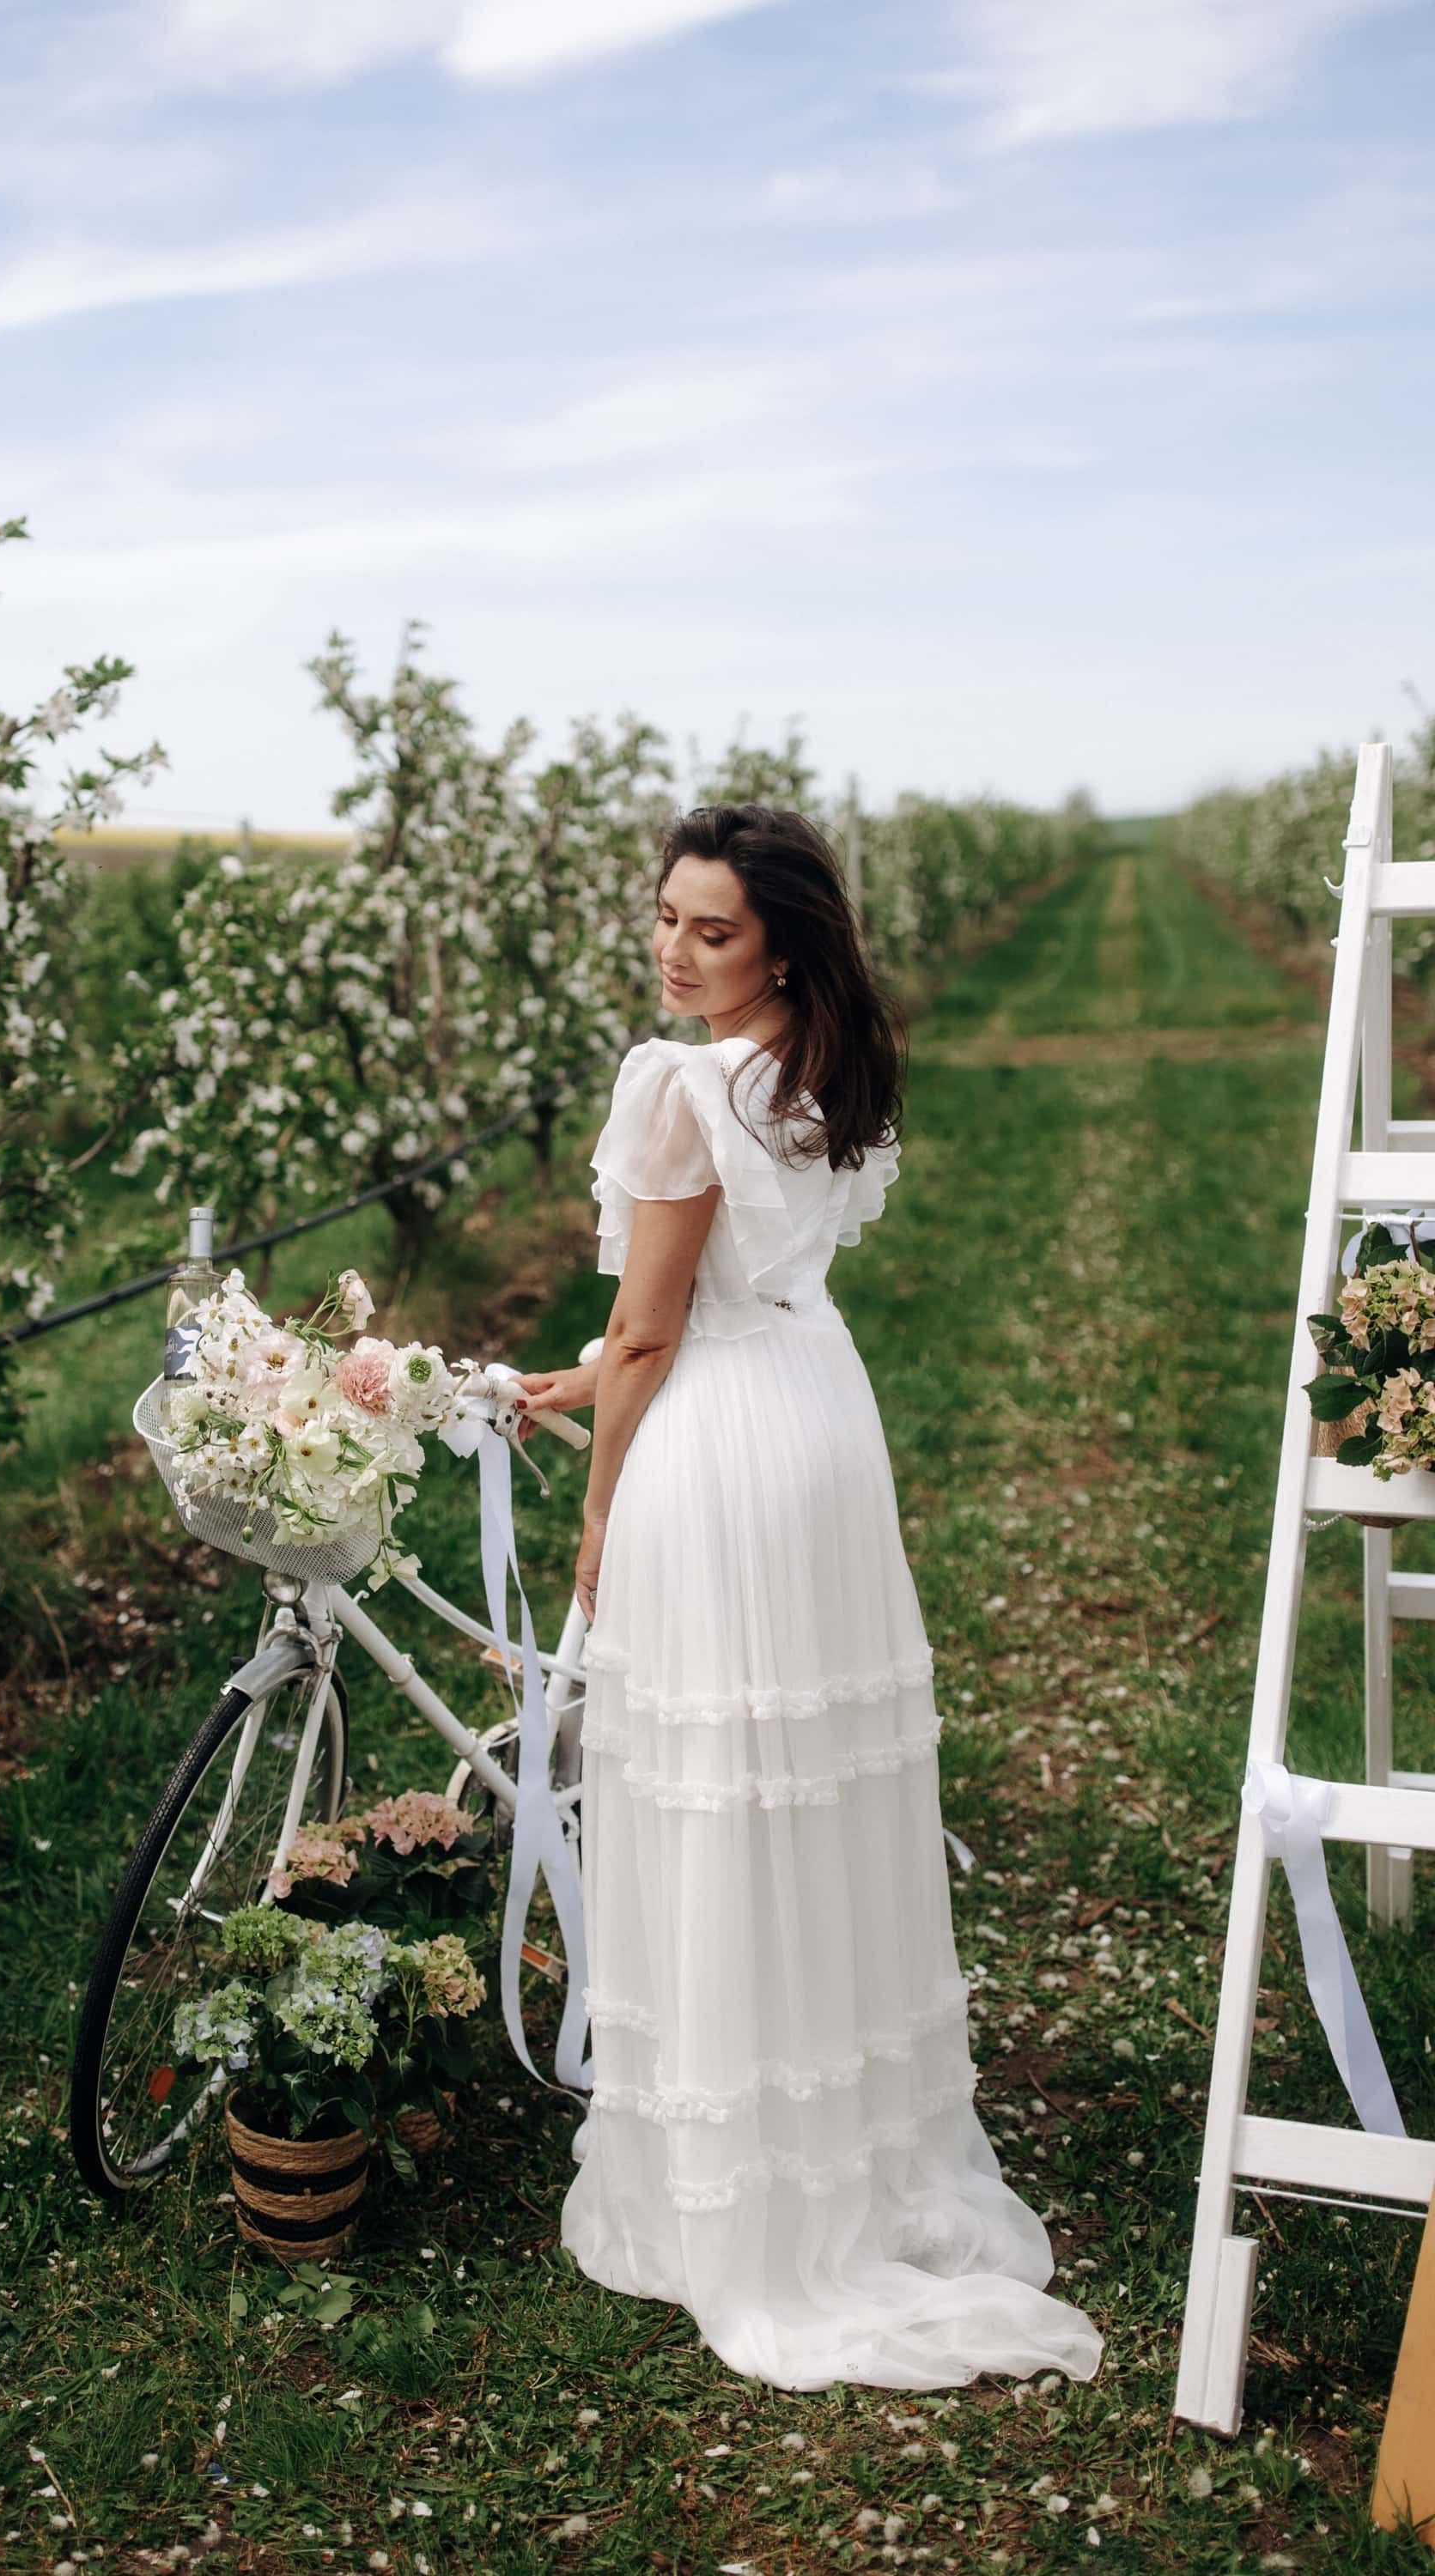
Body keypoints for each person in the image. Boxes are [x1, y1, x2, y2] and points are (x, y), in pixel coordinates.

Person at [511, 802, 1105, 2394]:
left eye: (714, 929)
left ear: (781, 935)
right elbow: (707, 1306)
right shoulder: (809, 1066)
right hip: (816, 1420)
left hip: (716, 1457)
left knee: (720, 1791)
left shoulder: (685, 1086)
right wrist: (573, 1385)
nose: (680, 953)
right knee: (807, 1787)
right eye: (665, 920)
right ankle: (837, 2139)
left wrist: (595, 1504)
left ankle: (745, 2186)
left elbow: (652, 1335)